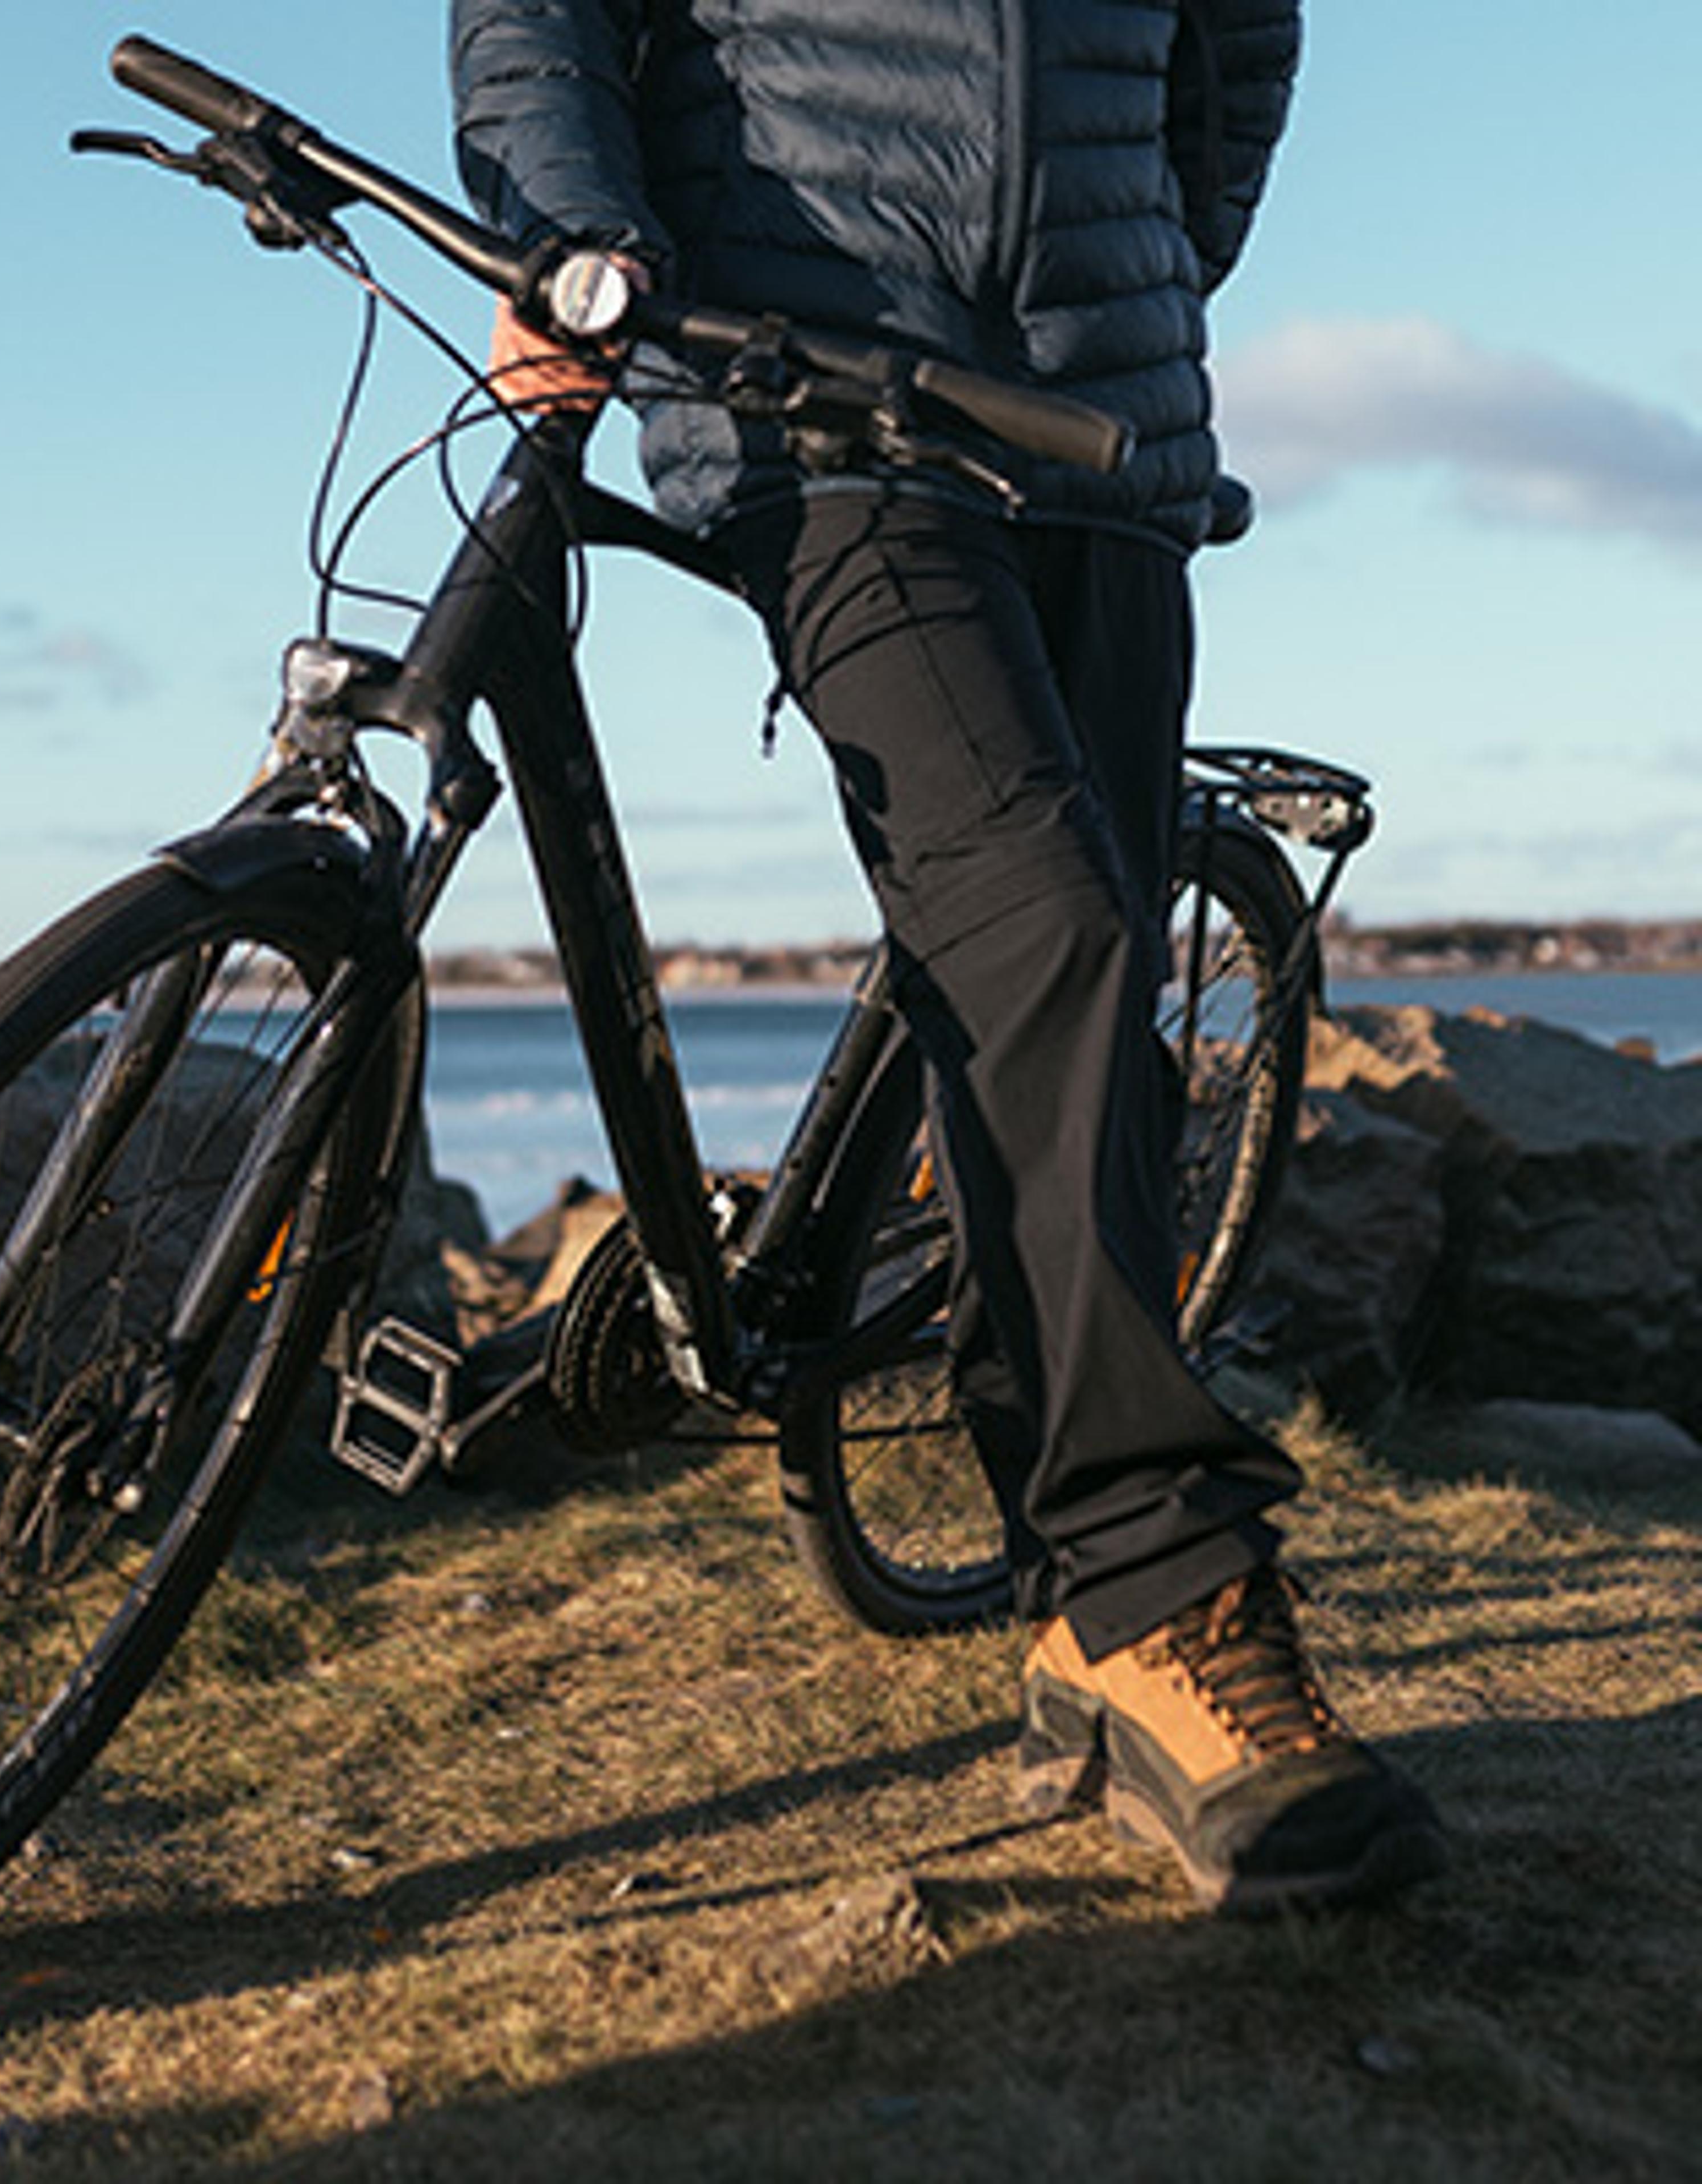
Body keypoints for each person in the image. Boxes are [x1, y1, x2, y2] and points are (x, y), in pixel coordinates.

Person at [448, 0, 1444, 1915]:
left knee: (1060, 980)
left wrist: (1143, 247)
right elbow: (540, 20)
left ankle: (1071, 1617)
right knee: (1055, 930)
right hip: (814, 399)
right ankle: (1164, 1586)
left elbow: (1237, 49)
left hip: (1104, 423)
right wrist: (579, 233)